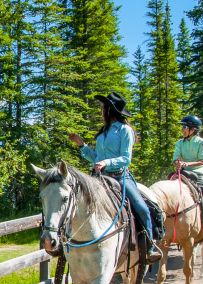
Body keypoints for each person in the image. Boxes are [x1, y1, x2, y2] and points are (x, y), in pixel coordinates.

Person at [69, 92, 163, 264]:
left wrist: (106, 162)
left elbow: (126, 158)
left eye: (103, 107)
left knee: (142, 207)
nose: (101, 109)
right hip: (99, 178)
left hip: (120, 177)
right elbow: (96, 157)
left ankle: (150, 244)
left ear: (110, 110)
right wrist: (82, 145)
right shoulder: (103, 132)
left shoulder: (125, 131)